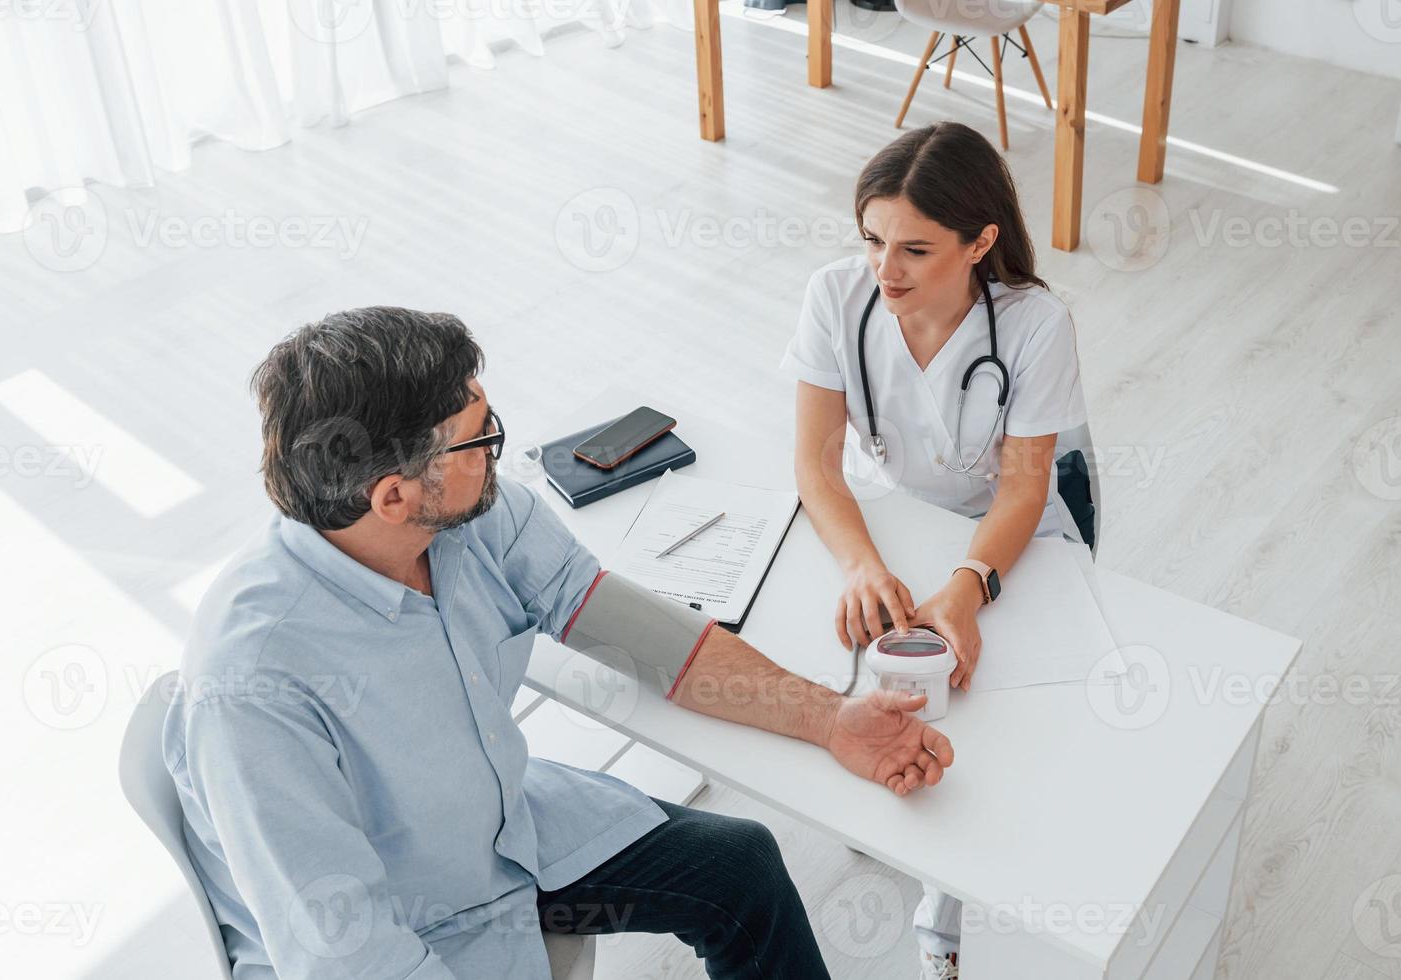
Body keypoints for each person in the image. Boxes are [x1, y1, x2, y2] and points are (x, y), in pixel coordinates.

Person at [164, 306, 955, 980]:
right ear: (393, 495)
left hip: (500, 823)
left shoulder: (474, 516)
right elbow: (345, 952)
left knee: (738, 864)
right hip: (404, 925)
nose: (498, 451)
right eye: (478, 440)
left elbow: (632, 630)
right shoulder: (252, 682)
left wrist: (828, 718)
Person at [780, 122, 1090, 980]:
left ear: (981, 241)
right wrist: (862, 563)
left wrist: (968, 585)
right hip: (900, 521)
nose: (886, 271)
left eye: (915, 249)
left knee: (984, 711)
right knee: (871, 678)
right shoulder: (835, 297)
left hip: (1007, 537)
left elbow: (1026, 488)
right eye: (873, 240)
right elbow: (813, 464)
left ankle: (944, 928)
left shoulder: (1035, 325)